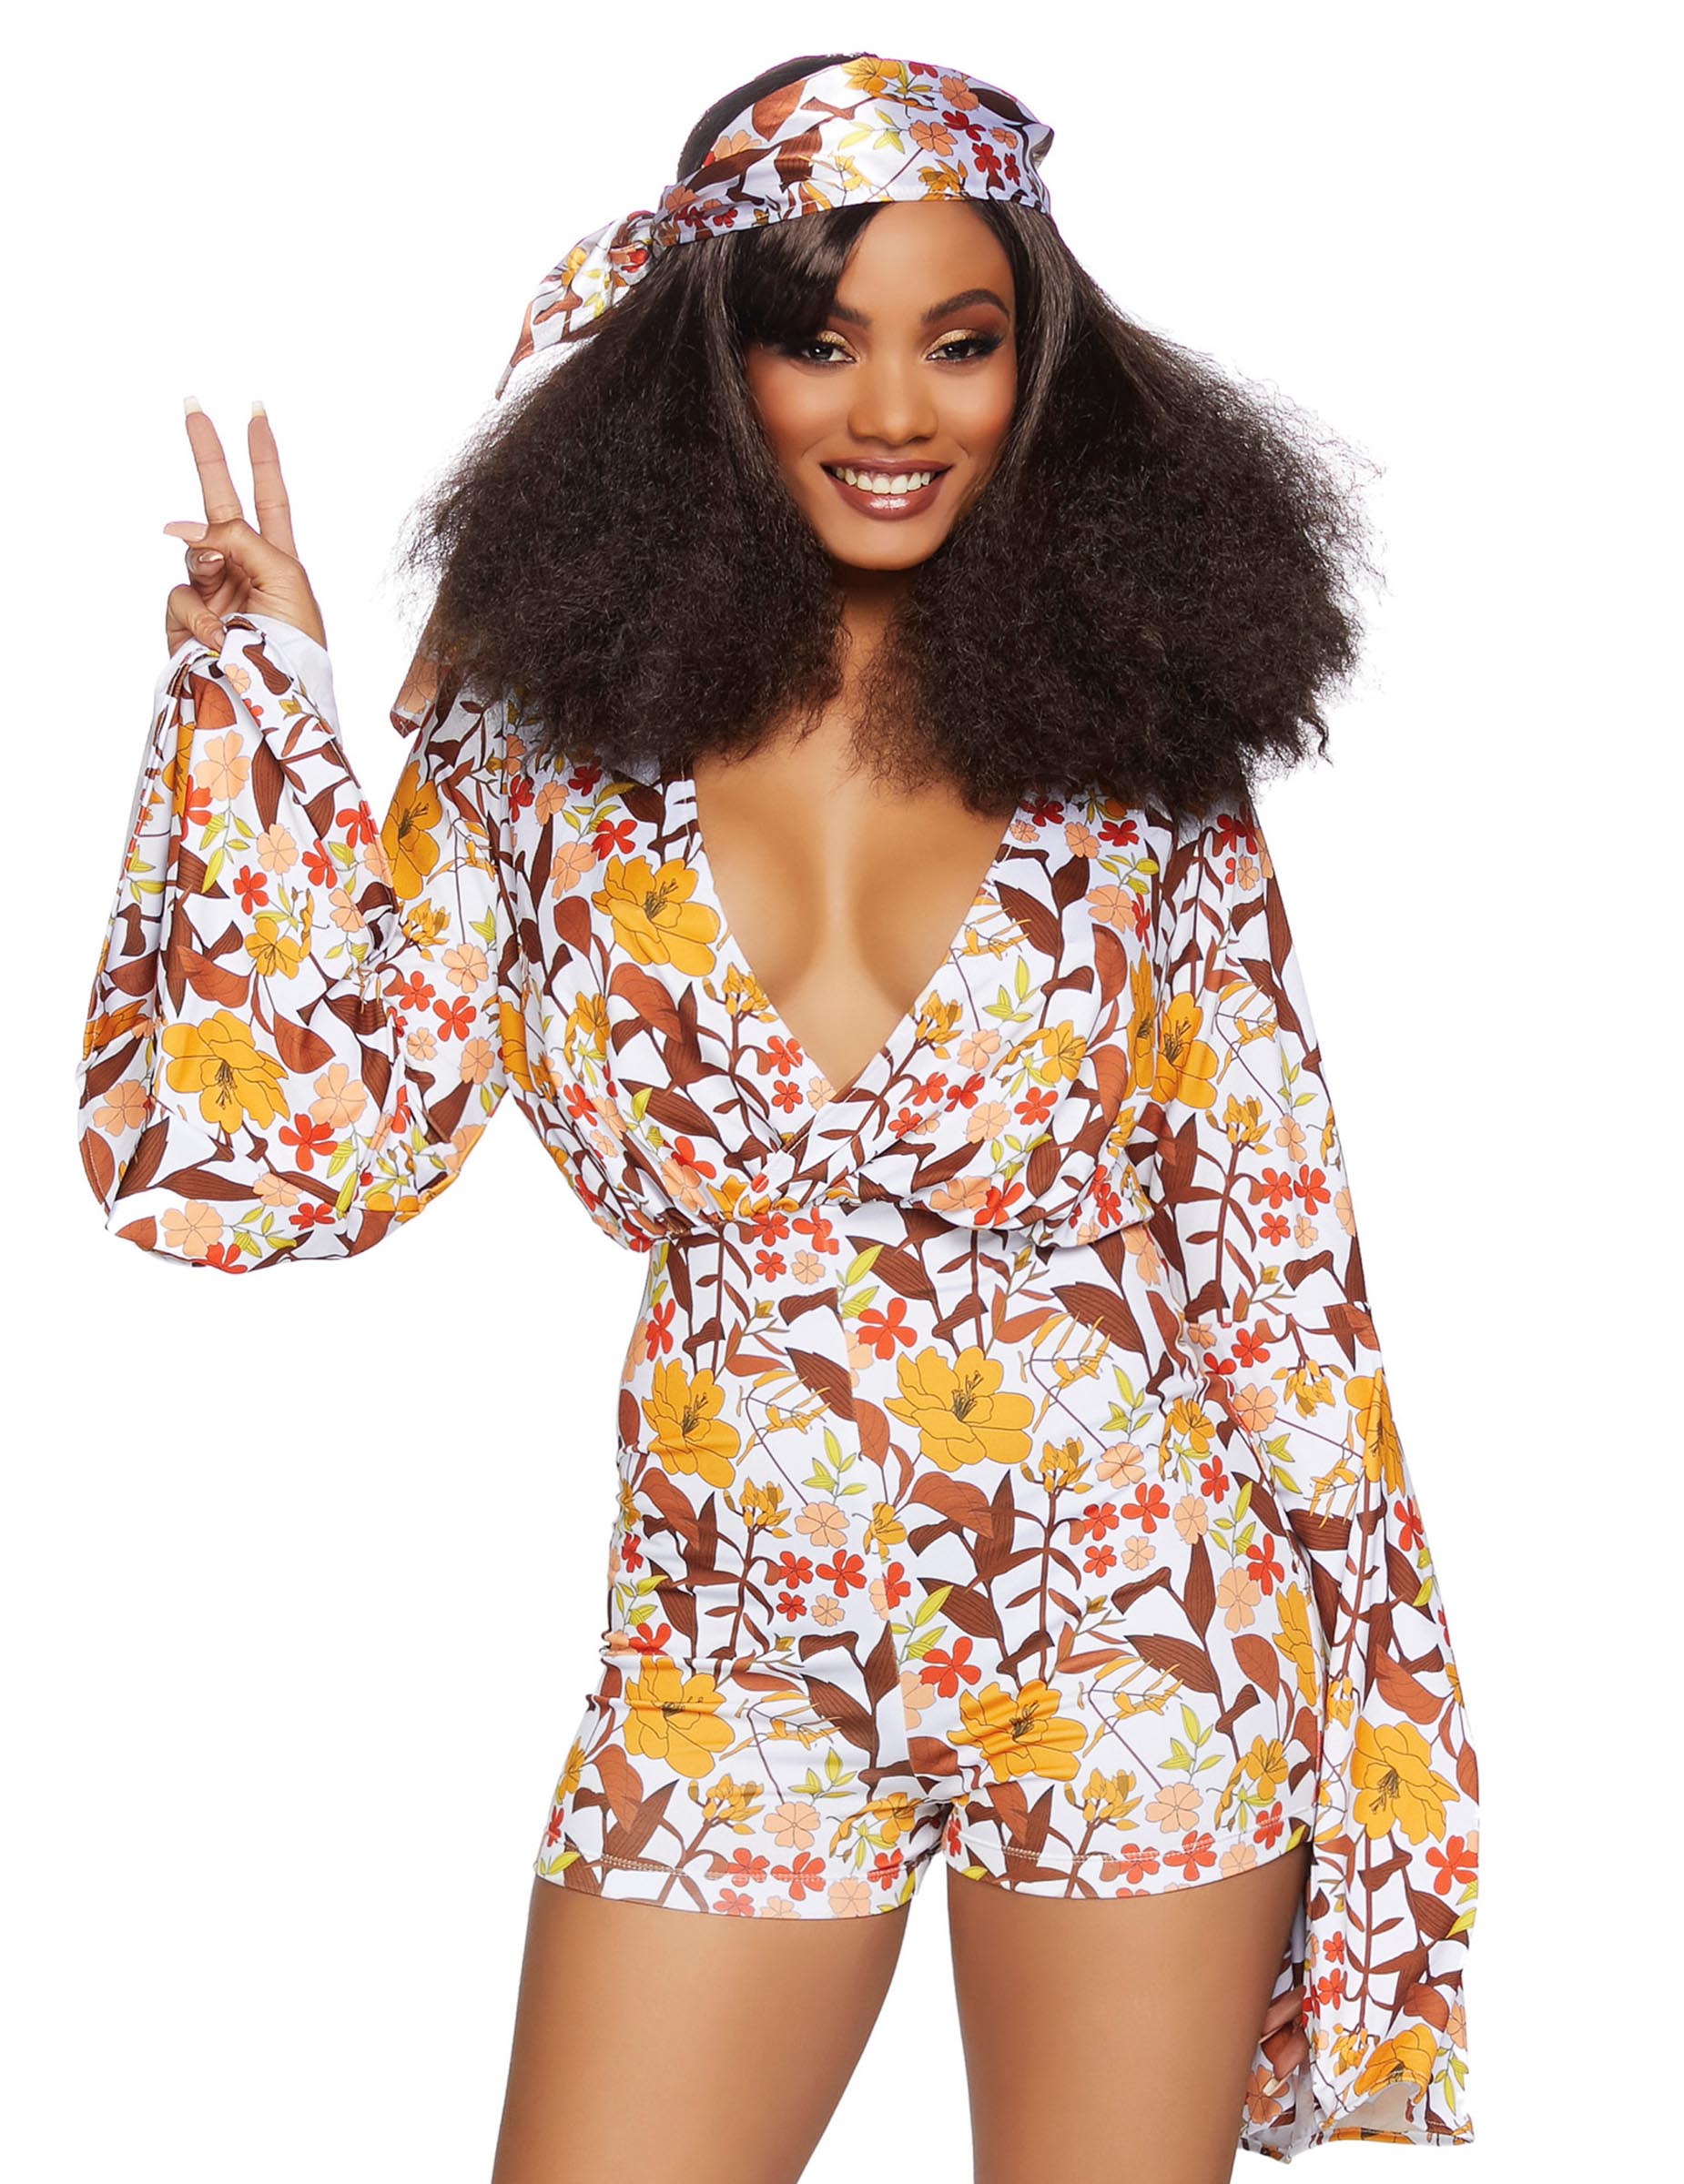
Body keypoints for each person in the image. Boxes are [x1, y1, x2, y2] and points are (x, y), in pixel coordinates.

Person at [75, 49, 1480, 2183]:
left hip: (1143, 1629)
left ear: (1037, 365)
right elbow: (293, 1148)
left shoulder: (1140, 749)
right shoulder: (540, 738)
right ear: (709, 365)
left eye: (960, 342)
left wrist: (1387, 1724)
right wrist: (260, 704)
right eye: (820, 341)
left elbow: (1273, 1247)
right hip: (728, 1655)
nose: (895, 410)